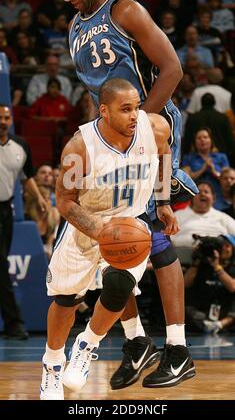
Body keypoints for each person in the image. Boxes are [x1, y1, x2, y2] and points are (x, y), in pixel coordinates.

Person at [58, 0, 197, 390]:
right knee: (114, 237)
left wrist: (139, 131)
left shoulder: (125, 9)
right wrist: (101, 137)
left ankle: (178, 351)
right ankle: (138, 344)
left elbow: (172, 69)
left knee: (152, 236)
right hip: (110, 140)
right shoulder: (75, 27)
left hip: (146, 132)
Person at [40, 78, 195, 400]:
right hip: (85, 224)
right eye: (126, 109)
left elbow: (165, 158)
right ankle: (52, 364)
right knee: (67, 300)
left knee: (120, 284)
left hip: (130, 222)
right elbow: (66, 201)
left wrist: (163, 202)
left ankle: (87, 345)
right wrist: (99, 231)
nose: (134, 115)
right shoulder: (79, 147)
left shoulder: (155, 128)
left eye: (137, 107)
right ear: (104, 111)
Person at [0, 105, 47, 339]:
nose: (3, 121)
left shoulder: (20, 146)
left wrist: (38, 198)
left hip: (4, 212)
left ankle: (13, 324)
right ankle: (14, 324)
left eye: (6, 117)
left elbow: (27, 177)